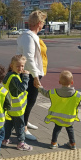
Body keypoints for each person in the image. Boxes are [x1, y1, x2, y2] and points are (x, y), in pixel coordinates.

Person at [17, 10, 48, 140]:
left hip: (33, 73)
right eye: (43, 23)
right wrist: (35, 77)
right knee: (28, 101)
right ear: (39, 23)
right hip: (29, 74)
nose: (43, 25)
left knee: (30, 101)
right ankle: (23, 128)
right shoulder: (28, 36)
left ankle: (25, 121)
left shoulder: (32, 36)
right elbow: (28, 58)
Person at [37, 70, 81, 150]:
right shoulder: (78, 95)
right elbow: (80, 104)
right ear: (72, 82)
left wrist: (39, 87)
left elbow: (45, 93)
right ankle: (72, 144)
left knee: (57, 129)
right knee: (70, 129)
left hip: (57, 117)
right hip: (69, 117)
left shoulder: (54, 92)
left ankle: (53, 143)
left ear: (59, 82)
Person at [2, 55, 33, 151]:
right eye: (18, 66)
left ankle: (5, 139)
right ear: (12, 66)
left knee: (9, 124)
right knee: (20, 125)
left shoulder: (8, 75)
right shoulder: (14, 77)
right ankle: (21, 143)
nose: (21, 68)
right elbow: (23, 87)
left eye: (22, 66)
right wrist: (26, 76)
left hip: (10, 106)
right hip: (17, 108)